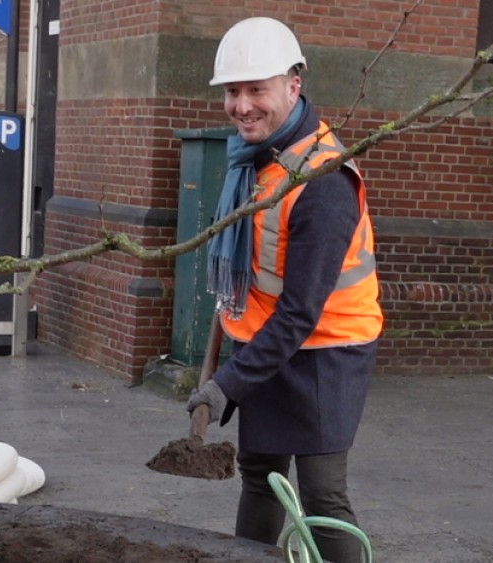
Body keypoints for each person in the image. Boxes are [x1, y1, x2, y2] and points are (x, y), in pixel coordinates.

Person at [185, 16, 383, 563]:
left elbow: (300, 311)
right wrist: (234, 349)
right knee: (259, 475)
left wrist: (227, 384)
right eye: (232, 91)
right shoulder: (254, 162)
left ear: (293, 85)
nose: (242, 105)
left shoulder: (322, 181)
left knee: (322, 495)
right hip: (266, 344)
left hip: (327, 351)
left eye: (257, 89)